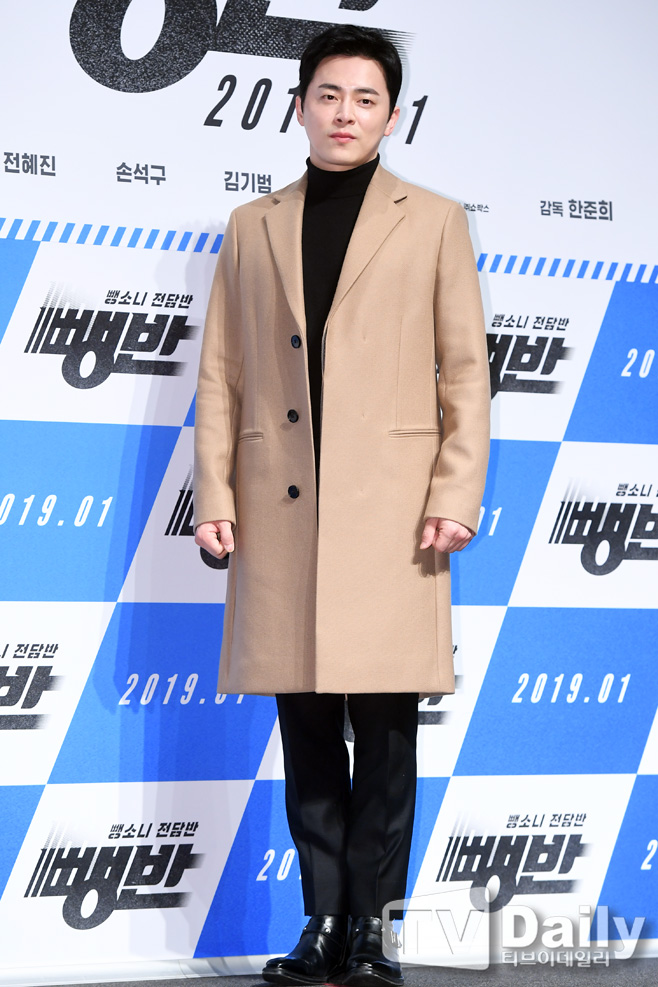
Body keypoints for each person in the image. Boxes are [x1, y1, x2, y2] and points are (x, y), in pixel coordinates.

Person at [194, 24, 490, 987]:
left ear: (392, 116)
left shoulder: (434, 219)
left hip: (396, 515)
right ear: (299, 107)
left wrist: (456, 492)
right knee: (308, 729)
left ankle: (373, 929)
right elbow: (222, 373)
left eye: (366, 99)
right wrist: (215, 491)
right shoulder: (253, 224)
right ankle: (322, 923)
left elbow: (466, 372)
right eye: (328, 95)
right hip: (282, 510)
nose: (345, 113)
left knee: (388, 732)